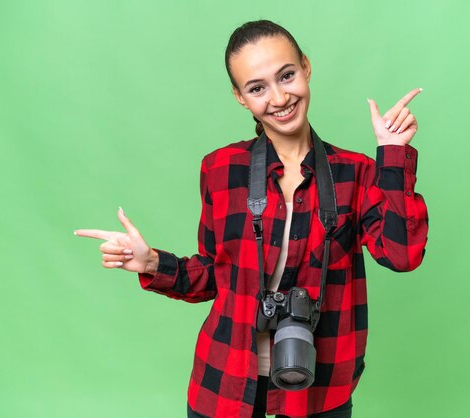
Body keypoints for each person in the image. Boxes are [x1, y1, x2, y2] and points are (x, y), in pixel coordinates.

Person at [75, 19, 428, 418]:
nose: (278, 98)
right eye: (257, 87)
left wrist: (393, 155)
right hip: (226, 379)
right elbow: (214, 275)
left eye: (287, 76)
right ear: (241, 97)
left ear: (306, 68)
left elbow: (402, 256)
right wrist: (152, 263)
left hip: (320, 385)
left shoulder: (356, 172)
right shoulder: (221, 169)